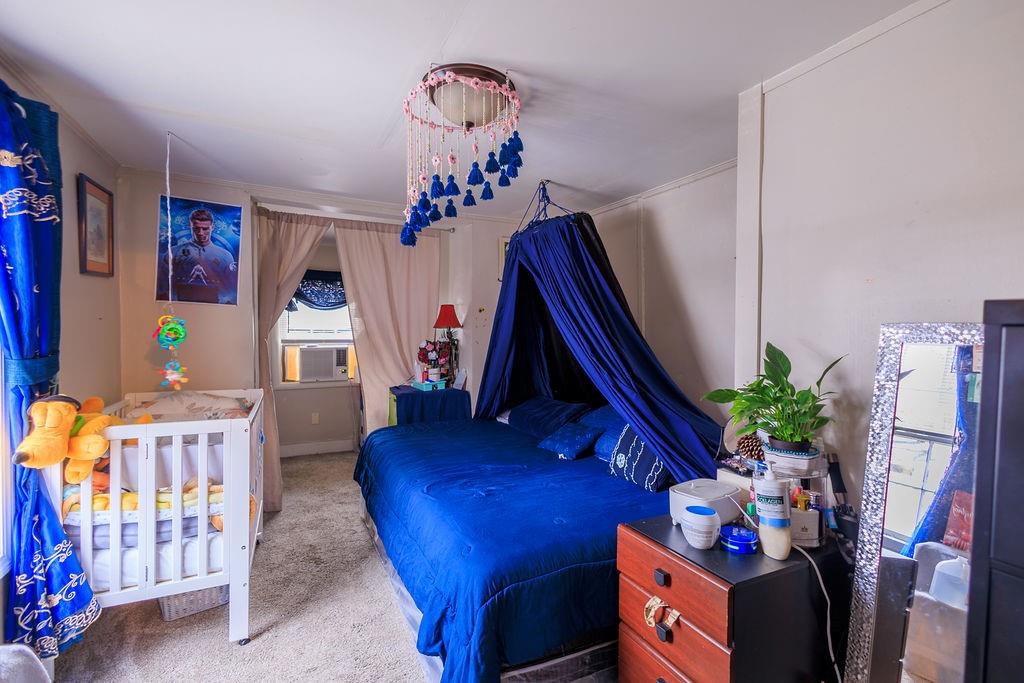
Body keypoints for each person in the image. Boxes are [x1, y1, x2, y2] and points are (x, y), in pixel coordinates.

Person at [160, 207, 238, 303]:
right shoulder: (173, 252)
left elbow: (231, 289)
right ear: (190, 226)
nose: (200, 233)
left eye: (205, 229)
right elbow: (162, 286)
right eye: (196, 229)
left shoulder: (225, 256)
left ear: (212, 227)